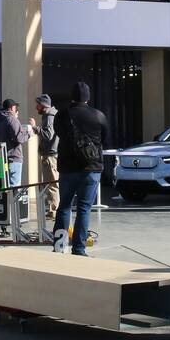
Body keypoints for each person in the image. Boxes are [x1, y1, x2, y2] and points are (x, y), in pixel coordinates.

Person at [53, 82, 109, 256]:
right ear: (88, 97)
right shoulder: (98, 115)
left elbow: (59, 133)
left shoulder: (62, 115)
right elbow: (105, 137)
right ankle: (79, 248)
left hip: (68, 168)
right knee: (84, 209)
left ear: (72, 97)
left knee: (64, 207)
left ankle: (60, 246)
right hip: (91, 168)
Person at [0, 99, 33, 195]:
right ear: (11, 108)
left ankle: (6, 209)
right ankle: (13, 210)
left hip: (1, 158)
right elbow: (18, 138)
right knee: (14, 188)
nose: (16, 109)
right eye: (15, 107)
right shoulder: (12, 119)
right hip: (13, 158)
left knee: (3, 188)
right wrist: (29, 133)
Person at [35, 94, 60, 225]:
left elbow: (48, 135)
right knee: (52, 183)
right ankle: (53, 209)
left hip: (50, 155)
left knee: (52, 184)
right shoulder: (53, 115)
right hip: (52, 154)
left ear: (43, 105)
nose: (36, 107)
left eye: (38, 104)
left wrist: (35, 128)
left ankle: (53, 211)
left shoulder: (50, 117)